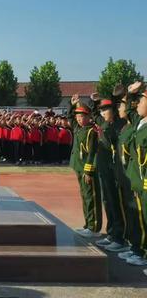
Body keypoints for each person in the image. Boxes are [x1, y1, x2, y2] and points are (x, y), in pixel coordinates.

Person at [91, 93, 129, 253]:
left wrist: (116, 98)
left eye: (105, 109)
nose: (102, 113)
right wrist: (95, 102)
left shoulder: (118, 125)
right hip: (105, 170)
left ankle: (120, 237)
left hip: (116, 171)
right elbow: (95, 115)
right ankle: (112, 233)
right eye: (101, 110)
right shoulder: (104, 122)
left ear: (113, 110)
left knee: (116, 203)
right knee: (108, 201)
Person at [115, 83, 147, 266]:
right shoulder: (141, 124)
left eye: (142, 100)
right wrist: (129, 92)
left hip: (144, 182)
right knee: (140, 219)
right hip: (139, 181)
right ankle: (138, 250)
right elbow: (129, 110)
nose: (138, 103)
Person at [68, 95, 102, 238]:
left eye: (81, 116)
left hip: (87, 170)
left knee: (91, 197)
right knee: (84, 196)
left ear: (88, 117)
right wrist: (72, 105)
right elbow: (70, 119)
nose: (78, 118)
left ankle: (94, 227)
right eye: (78, 116)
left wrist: (88, 171)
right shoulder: (78, 129)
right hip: (79, 168)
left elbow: (92, 153)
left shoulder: (91, 131)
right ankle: (88, 224)